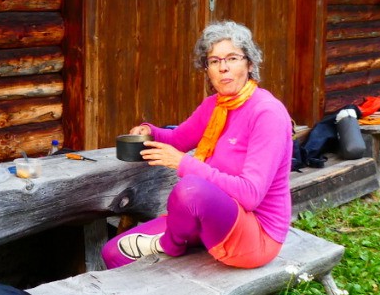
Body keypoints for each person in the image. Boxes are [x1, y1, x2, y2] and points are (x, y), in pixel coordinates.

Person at [101, 20, 293, 270]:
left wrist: (184, 164)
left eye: (232, 58)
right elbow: (178, 139)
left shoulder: (267, 113)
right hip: (210, 219)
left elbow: (250, 195)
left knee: (191, 189)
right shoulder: (215, 105)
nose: (223, 68)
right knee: (113, 251)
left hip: (256, 233)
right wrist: (149, 131)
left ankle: (170, 243)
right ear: (207, 70)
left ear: (250, 63)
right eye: (214, 61)